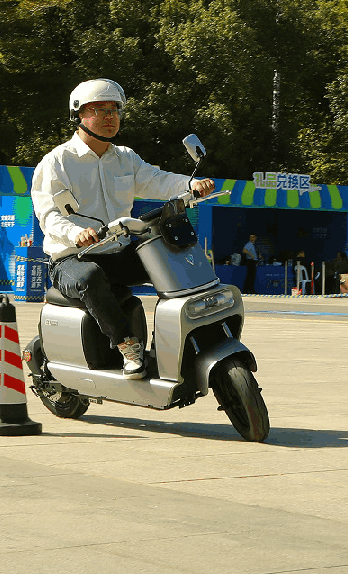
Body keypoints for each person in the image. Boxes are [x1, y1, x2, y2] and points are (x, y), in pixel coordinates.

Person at [32, 78, 214, 379]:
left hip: (118, 252)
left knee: (173, 260)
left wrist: (190, 184)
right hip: (73, 259)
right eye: (100, 110)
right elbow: (49, 214)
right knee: (90, 276)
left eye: (115, 110)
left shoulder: (125, 158)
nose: (110, 117)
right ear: (79, 114)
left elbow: (157, 180)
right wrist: (75, 233)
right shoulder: (56, 162)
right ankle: (127, 345)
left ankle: (185, 339)